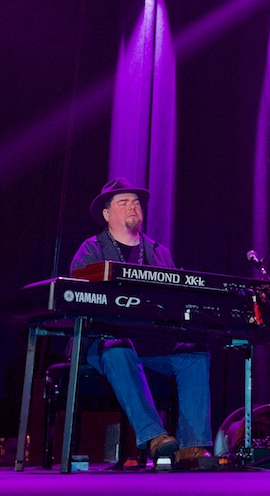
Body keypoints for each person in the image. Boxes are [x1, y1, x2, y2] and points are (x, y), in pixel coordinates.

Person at [70, 177, 213, 467]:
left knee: (194, 354)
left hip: (152, 343)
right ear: (107, 214)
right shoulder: (91, 250)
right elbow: (78, 299)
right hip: (103, 342)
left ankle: (192, 447)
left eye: (136, 202)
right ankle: (155, 437)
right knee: (118, 348)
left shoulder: (159, 252)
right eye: (123, 202)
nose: (133, 206)